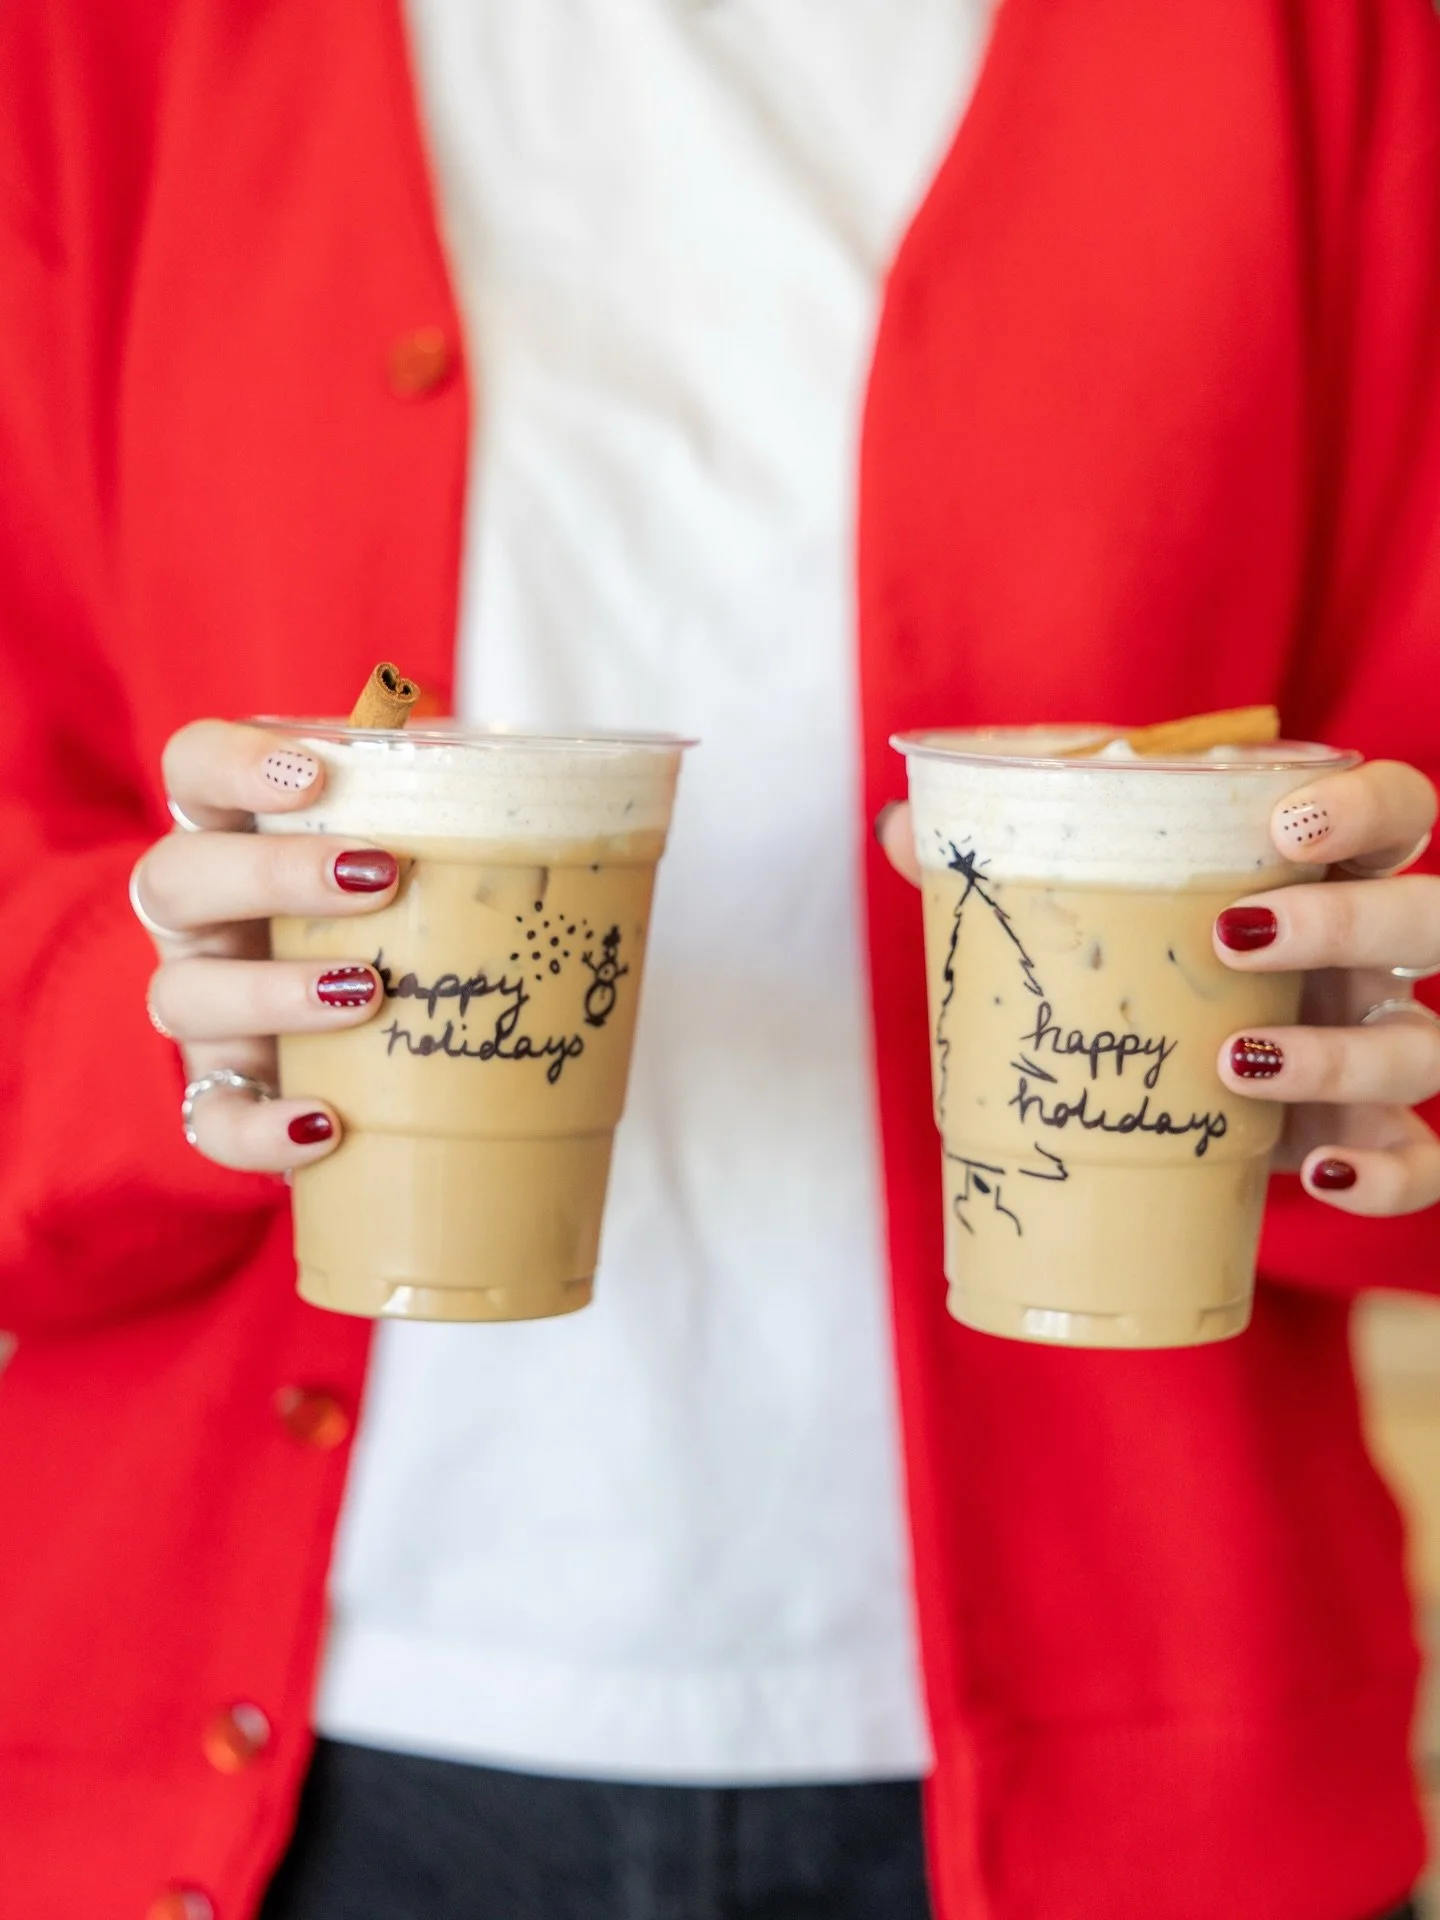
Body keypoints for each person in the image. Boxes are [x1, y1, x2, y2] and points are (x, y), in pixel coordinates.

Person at [0, 5, 1437, 1920]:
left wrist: (1366, 1041)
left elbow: (1395, 925)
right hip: (285, 1761)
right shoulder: (101, 50)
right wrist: (175, 1017)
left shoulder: (1324, 48)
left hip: (1146, 1755)